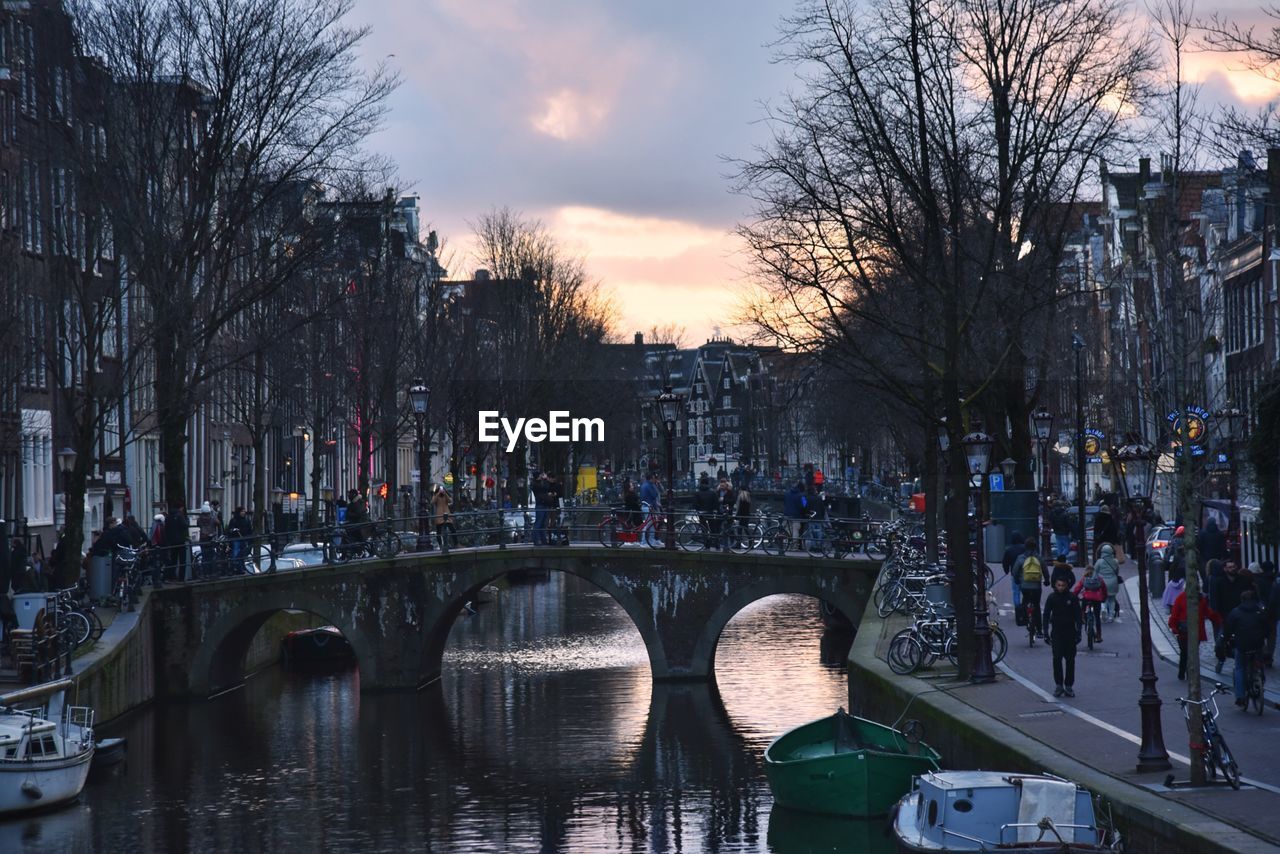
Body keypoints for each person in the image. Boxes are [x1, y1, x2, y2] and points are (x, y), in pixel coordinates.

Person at [1224, 590, 1269, 708]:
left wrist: (1226, 639)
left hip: (1242, 645)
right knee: (1259, 661)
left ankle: (1240, 696)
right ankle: (1260, 679)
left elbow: (1228, 629)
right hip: (1257, 644)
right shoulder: (1260, 611)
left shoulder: (1235, 612)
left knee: (1239, 668)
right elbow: (1268, 627)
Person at [1168, 588, 1223, 681]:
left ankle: (1189, 673)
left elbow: (1207, 612)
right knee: (1185, 652)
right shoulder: (1181, 598)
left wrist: (1218, 620)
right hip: (1183, 632)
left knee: (1190, 653)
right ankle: (1184, 672)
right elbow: (1174, 615)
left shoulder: (1200, 599)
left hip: (1194, 631)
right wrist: (1174, 627)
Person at [1043, 576, 1083, 698]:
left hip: (1070, 633)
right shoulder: (1051, 598)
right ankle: (1059, 685)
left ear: (1067, 586)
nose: (1060, 587)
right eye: (1058, 585)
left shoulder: (1072, 598)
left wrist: (1079, 632)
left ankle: (1069, 685)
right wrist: (1045, 632)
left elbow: (1078, 616)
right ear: (1055, 585)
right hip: (1056, 633)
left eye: (1063, 585)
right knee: (1057, 659)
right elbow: (1045, 615)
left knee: (1070, 660)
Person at [1013, 538, 1046, 637]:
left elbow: (1015, 571)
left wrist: (1017, 580)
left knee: (1025, 601)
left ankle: (1025, 619)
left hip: (1024, 586)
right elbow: (1045, 570)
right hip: (1036, 586)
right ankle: (1039, 630)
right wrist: (1047, 581)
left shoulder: (1021, 558)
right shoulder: (1039, 558)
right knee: (1036, 605)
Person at [1073, 565, 1108, 642]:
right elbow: (1104, 589)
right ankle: (1099, 636)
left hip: (1087, 597)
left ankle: (1083, 617)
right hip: (1097, 598)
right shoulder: (1099, 578)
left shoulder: (1084, 578)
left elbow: (1078, 588)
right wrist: (1104, 598)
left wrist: (1074, 596)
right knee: (1097, 617)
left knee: (1083, 608)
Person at [162, 502, 190, 582]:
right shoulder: (180, 516)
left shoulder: (168, 517)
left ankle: (172, 576)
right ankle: (181, 578)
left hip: (172, 542)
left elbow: (166, 529)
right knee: (182, 561)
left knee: (173, 560)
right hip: (180, 541)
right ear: (180, 508)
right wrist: (187, 521)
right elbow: (185, 526)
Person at [1094, 543, 1122, 622]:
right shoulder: (1115, 561)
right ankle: (1111, 616)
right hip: (1113, 582)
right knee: (1112, 600)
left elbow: (1095, 572)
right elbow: (1117, 572)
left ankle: (1103, 609)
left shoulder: (1099, 561)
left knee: (1103, 598)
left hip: (1102, 582)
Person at [1001, 530, 1026, 622]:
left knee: (1016, 593)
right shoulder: (1024, 548)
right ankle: (1025, 609)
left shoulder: (1009, 550)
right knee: (1025, 592)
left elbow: (1005, 562)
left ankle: (1018, 611)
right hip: (1025, 574)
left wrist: (1006, 570)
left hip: (1014, 574)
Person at [694, 475, 719, 548]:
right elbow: (716, 503)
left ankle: (706, 544)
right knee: (713, 528)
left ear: (701, 484)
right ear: (708, 484)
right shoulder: (712, 493)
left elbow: (695, 504)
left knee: (703, 528)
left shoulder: (697, 493)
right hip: (710, 512)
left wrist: (698, 510)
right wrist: (714, 509)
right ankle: (716, 543)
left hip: (701, 513)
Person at [639, 473, 662, 547]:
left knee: (651, 524)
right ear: (651, 479)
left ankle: (650, 540)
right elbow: (655, 494)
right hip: (649, 507)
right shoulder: (649, 485)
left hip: (647, 506)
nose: (655, 479)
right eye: (654, 478)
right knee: (648, 524)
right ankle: (644, 542)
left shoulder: (644, 485)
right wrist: (655, 486)